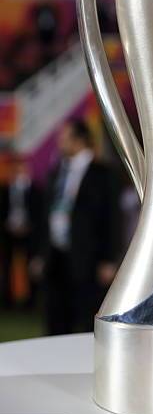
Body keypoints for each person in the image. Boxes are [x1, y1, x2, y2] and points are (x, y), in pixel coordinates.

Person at [32, 118, 121, 335]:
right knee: (55, 319)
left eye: (64, 138)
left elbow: (112, 218)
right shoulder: (56, 172)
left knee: (85, 319)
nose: (60, 143)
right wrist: (41, 254)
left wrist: (109, 259)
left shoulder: (102, 173)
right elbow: (46, 216)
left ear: (79, 140)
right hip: (56, 256)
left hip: (88, 258)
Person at [0, 155, 42, 308]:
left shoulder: (35, 190)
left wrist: (28, 226)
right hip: (9, 233)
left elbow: (38, 213)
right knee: (7, 266)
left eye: (21, 168)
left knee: (30, 266)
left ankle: (30, 302)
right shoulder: (5, 189)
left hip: (29, 234)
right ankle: (7, 300)